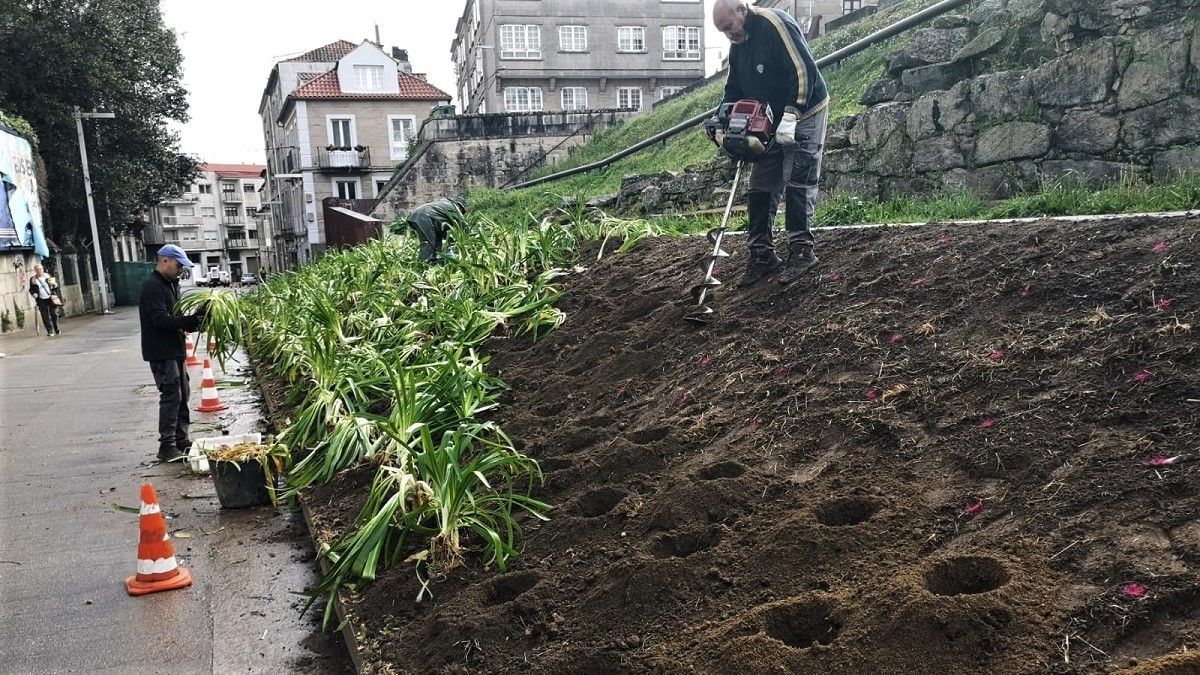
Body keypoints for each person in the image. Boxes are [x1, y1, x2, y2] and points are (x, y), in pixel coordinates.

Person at [713, 0, 830, 286]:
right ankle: (761, 255)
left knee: (798, 179)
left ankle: (801, 251)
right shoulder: (738, 46)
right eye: (723, 31)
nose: (729, 35)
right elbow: (735, 88)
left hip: (805, 112)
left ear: (742, 10)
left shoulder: (774, 24)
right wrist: (723, 117)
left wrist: (793, 113)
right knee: (761, 185)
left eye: (729, 27)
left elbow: (804, 70)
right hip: (768, 119)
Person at [139, 245, 205, 462]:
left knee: (183, 393)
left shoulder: (170, 284)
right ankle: (166, 446)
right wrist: (188, 321)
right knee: (171, 396)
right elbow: (159, 320)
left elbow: (175, 319)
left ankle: (180, 439)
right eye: (179, 266)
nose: (180, 271)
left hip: (174, 349)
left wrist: (195, 321)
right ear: (165, 261)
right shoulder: (152, 287)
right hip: (161, 351)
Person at [405, 195, 467, 263]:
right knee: (428, 244)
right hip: (423, 217)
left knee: (437, 241)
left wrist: (450, 242)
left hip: (418, 216)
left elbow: (442, 231)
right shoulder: (454, 207)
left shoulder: (444, 204)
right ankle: (422, 266)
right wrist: (468, 240)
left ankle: (433, 263)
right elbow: (464, 225)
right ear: (460, 206)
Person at [27, 263, 61, 336]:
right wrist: (34, 294)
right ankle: (50, 331)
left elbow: (54, 287)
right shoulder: (33, 279)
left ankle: (56, 328)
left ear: (43, 269)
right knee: (45, 316)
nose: (39, 271)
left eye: (40, 269)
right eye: (37, 270)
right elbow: (31, 289)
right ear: (35, 271)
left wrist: (55, 285)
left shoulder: (47, 276)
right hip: (41, 299)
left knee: (54, 314)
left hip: (50, 297)